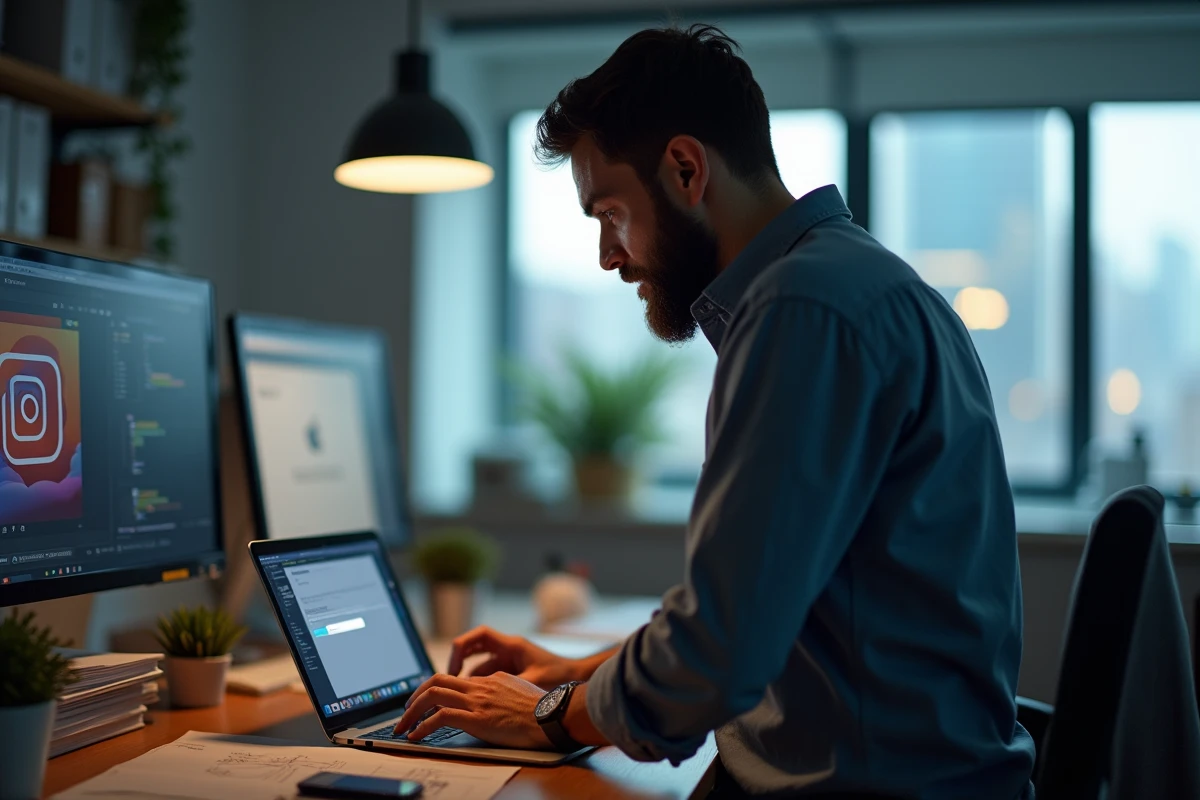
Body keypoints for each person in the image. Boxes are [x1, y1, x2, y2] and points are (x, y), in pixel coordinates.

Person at [394, 24, 1035, 799]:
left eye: (610, 212)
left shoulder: (803, 310)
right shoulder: (853, 285)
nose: (607, 254)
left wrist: (553, 713)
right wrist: (575, 673)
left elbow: (719, 652)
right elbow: (757, 613)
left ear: (686, 169)